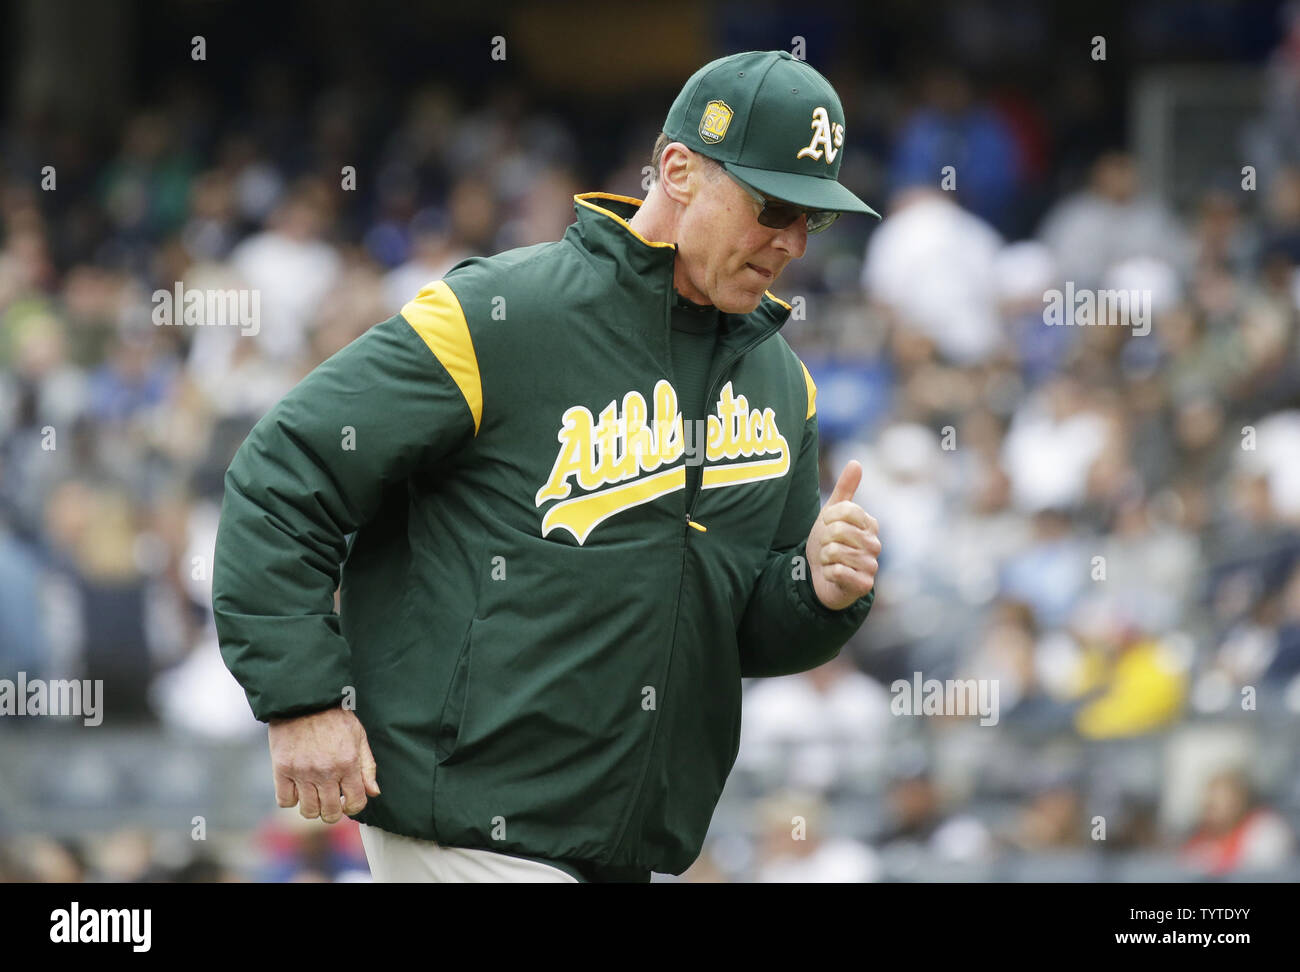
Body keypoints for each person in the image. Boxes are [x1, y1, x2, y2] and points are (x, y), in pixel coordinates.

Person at [213, 49, 882, 883]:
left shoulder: (783, 383)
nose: (789, 242)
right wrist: (303, 698)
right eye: (772, 205)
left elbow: (733, 627)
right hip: (467, 825)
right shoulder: (503, 315)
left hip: (630, 848)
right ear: (678, 170)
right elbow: (285, 473)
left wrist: (815, 591)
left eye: (810, 220)